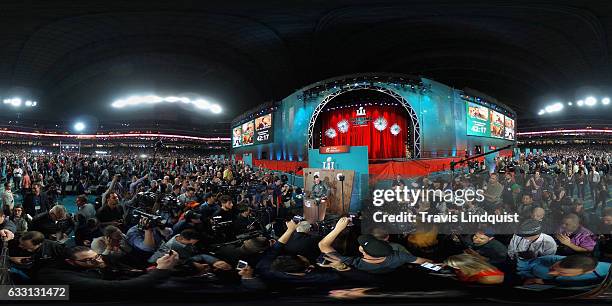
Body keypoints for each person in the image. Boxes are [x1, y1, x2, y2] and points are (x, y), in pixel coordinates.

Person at [36, 246, 179, 292]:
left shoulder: (97, 261)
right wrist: (161, 271)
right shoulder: (56, 276)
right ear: (70, 262)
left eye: (97, 256)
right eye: (90, 260)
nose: (98, 261)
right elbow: (114, 287)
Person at [319, 217, 430, 274]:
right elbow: (424, 261)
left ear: (362, 251)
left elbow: (323, 245)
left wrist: (338, 228)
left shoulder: (352, 263)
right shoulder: (398, 256)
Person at [255, 220, 340, 285]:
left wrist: (290, 230)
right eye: (301, 258)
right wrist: (341, 266)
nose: (299, 255)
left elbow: (275, 249)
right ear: (307, 268)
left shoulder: (263, 268)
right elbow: (339, 276)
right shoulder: (314, 278)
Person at [148, 229, 231, 274]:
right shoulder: (175, 247)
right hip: (163, 264)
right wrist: (196, 265)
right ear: (182, 239)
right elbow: (186, 260)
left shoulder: (179, 236)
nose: (193, 244)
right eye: (191, 243)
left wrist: (215, 261)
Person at [517, 254, 610, 287]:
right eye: (553, 268)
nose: (550, 273)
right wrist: (541, 280)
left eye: (562, 273)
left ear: (588, 272)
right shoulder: (551, 259)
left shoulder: (606, 272)